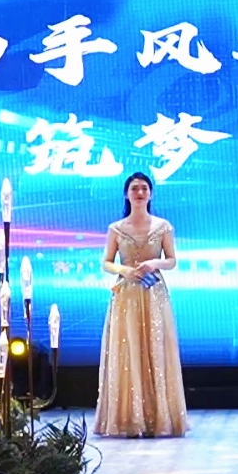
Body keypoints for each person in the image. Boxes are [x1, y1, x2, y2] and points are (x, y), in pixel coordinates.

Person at [94, 172, 189, 437]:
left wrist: (154, 263)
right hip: (126, 295)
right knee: (128, 351)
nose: (139, 193)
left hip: (154, 293)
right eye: (134, 188)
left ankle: (159, 418)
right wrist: (124, 270)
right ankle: (128, 418)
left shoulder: (163, 226)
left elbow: (171, 260)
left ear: (151, 194)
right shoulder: (116, 228)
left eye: (144, 188)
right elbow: (106, 262)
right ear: (126, 194)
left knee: (156, 350)